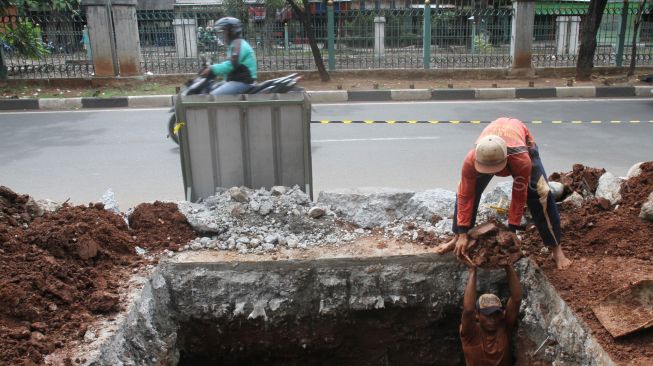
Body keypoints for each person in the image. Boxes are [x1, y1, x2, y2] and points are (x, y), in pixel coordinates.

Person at [435, 117, 572, 269]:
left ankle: (556, 249)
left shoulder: (521, 160)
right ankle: (458, 238)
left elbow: (519, 195)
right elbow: (465, 195)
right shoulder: (471, 160)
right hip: (491, 149)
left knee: (540, 193)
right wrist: (462, 232)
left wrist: (512, 230)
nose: (492, 173)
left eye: (496, 168)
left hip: (522, 145)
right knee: (467, 190)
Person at [460, 263, 522, 366]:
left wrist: (507, 265)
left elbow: (516, 298)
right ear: (477, 315)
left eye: (496, 314)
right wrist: (473, 271)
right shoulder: (470, 333)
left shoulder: (504, 326)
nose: (492, 319)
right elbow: (468, 310)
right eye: (487, 315)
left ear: (502, 314)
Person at [200, 17, 257, 95]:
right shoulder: (235, 44)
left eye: (224, 31)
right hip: (235, 81)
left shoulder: (239, 45)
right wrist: (211, 68)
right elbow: (229, 66)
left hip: (243, 82)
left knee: (212, 96)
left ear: (232, 31)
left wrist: (212, 68)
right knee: (209, 90)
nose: (223, 35)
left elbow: (230, 65)